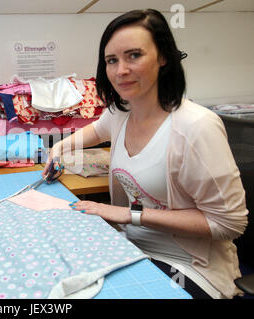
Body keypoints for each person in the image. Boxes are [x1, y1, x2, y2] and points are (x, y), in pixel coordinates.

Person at [42, 9, 248, 299]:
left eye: (134, 56)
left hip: (190, 265)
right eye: (111, 60)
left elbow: (230, 223)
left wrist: (129, 215)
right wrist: (59, 148)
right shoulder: (121, 113)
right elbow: (96, 131)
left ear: (164, 57)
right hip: (130, 247)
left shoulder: (196, 126)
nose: (120, 70)